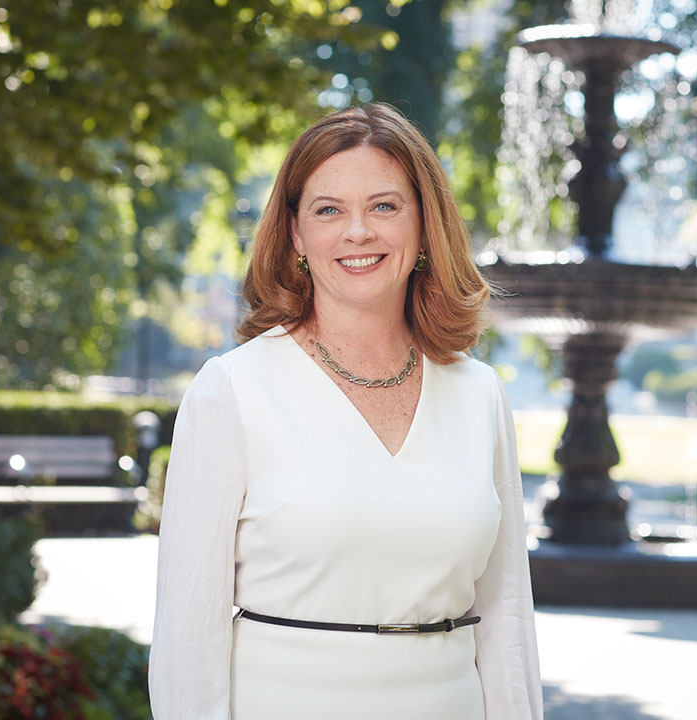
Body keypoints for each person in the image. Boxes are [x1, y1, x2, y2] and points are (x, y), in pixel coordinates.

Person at [148, 103, 542, 720]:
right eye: (328, 210)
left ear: (423, 226)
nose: (358, 232)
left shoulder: (478, 392)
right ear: (297, 235)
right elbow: (186, 632)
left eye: (384, 206)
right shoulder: (232, 389)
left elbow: (507, 613)